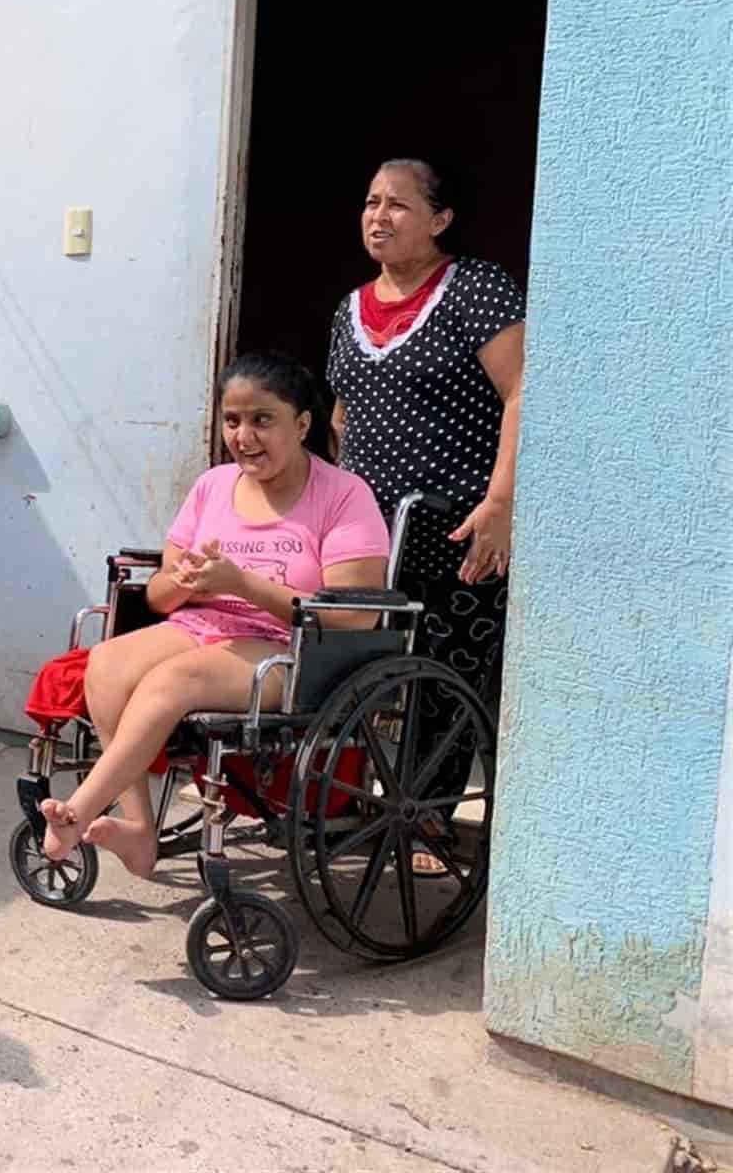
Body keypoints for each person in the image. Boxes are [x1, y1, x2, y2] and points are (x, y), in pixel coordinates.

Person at [39, 351, 390, 872]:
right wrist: (185, 584)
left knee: (172, 680)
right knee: (107, 663)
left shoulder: (343, 495)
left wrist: (243, 583)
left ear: (302, 424)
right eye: (233, 420)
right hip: (203, 625)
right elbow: (158, 597)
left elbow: (355, 616)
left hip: (290, 650)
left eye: (261, 420)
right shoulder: (212, 486)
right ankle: (138, 829)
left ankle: (80, 809)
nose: (243, 436)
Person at [326, 158, 524, 871]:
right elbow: (341, 420)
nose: (378, 216)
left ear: (440, 220)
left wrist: (500, 503)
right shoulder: (350, 309)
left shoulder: (477, 290)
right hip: (370, 536)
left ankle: (428, 821)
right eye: (371, 202)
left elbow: (522, 392)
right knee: (360, 667)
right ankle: (359, 799)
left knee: (447, 674)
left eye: (399, 206)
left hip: (456, 526)